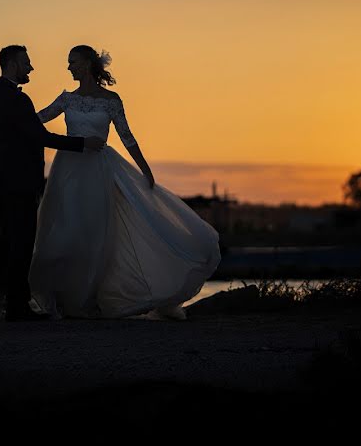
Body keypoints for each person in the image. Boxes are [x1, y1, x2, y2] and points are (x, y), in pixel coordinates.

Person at [28, 45, 221, 319]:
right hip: (68, 170)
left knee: (95, 233)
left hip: (98, 171)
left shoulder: (111, 100)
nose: (68, 67)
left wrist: (145, 170)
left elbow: (127, 136)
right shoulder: (66, 100)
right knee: (66, 229)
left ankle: (90, 298)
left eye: (72, 62)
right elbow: (36, 121)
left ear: (85, 65)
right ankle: (64, 296)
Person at [0, 45, 105, 321]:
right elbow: (42, 137)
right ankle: (12, 305)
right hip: (20, 181)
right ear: (12, 65)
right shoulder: (19, 101)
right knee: (21, 243)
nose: (31, 68)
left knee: (8, 240)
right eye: (26, 63)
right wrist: (85, 143)